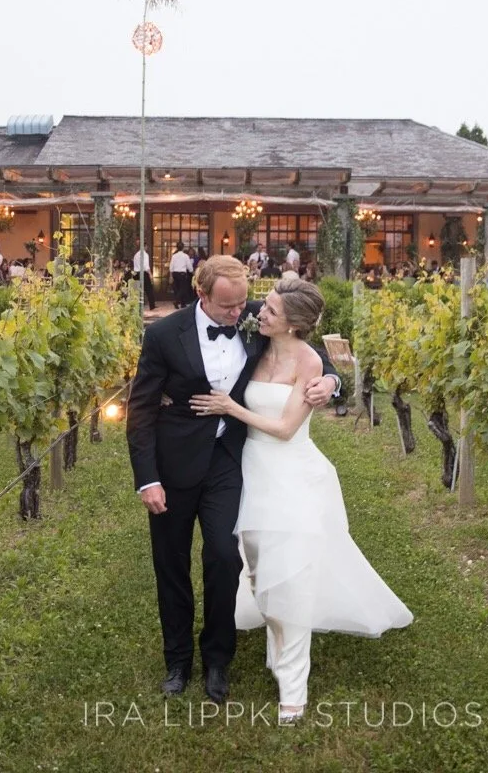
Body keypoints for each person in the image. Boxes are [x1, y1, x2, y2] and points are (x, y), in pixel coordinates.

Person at [190, 278, 412, 722]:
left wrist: (327, 380)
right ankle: (277, 647)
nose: (260, 312)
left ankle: (293, 688)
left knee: (290, 582)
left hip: (291, 477)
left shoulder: (308, 360)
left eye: (271, 310)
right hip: (249, 473)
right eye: (265, 306)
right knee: (258, 573)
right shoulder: (254, 336)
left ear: (292, 323)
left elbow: (286, 429)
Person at [127, 257, 343, 707]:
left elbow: (303, 346)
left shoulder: (256, 316)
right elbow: (142, 409)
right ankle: (177, 661)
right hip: (174, 464)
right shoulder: (163, 335)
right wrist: (147, 479)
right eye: (228, 306)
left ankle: (218, 659)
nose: (238, 313)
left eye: (243, 303)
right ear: (201, 294)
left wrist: (332, 380)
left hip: (228, 461)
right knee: (170, 563)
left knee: (225, 557)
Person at [133, 245, 156, 310]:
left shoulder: (136, 255)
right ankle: (152, 305)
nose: (147, 248)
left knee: (137, 291)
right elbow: (146, 266)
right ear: (145, 246)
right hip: (143, 273)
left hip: (136, 274)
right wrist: (150, 274)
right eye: (146, 246)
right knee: (149, 289)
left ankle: (136, 306)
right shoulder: (145, 254)